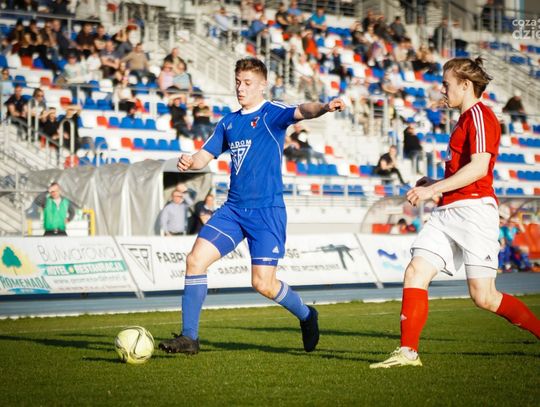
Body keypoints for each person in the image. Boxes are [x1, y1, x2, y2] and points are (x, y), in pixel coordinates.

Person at [159, 57, 345, 355]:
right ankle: (189, 338)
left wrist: (324, 107)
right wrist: (189, 161)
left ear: (262, 85)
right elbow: (204, 156)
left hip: (266, 212)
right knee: (195, 261)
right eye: (237, 82)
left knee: (263, 284)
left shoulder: (272, 114)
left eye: (247, 83)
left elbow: (303, 110)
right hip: (233, 211)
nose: (240, 88)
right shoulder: (229, 122)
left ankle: (307, 315)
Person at [370, 57, 540, 369]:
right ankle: (408, 353)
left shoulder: (480, 116)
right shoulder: (463, 120)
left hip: (474, 212)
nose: (443, 89)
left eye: (446, 84)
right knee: (415, 271)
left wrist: (433, 189)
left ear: (465, 85)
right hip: (447, 211)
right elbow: (463, 171)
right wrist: (436, 183)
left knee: (484, 297)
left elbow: (479, 168)